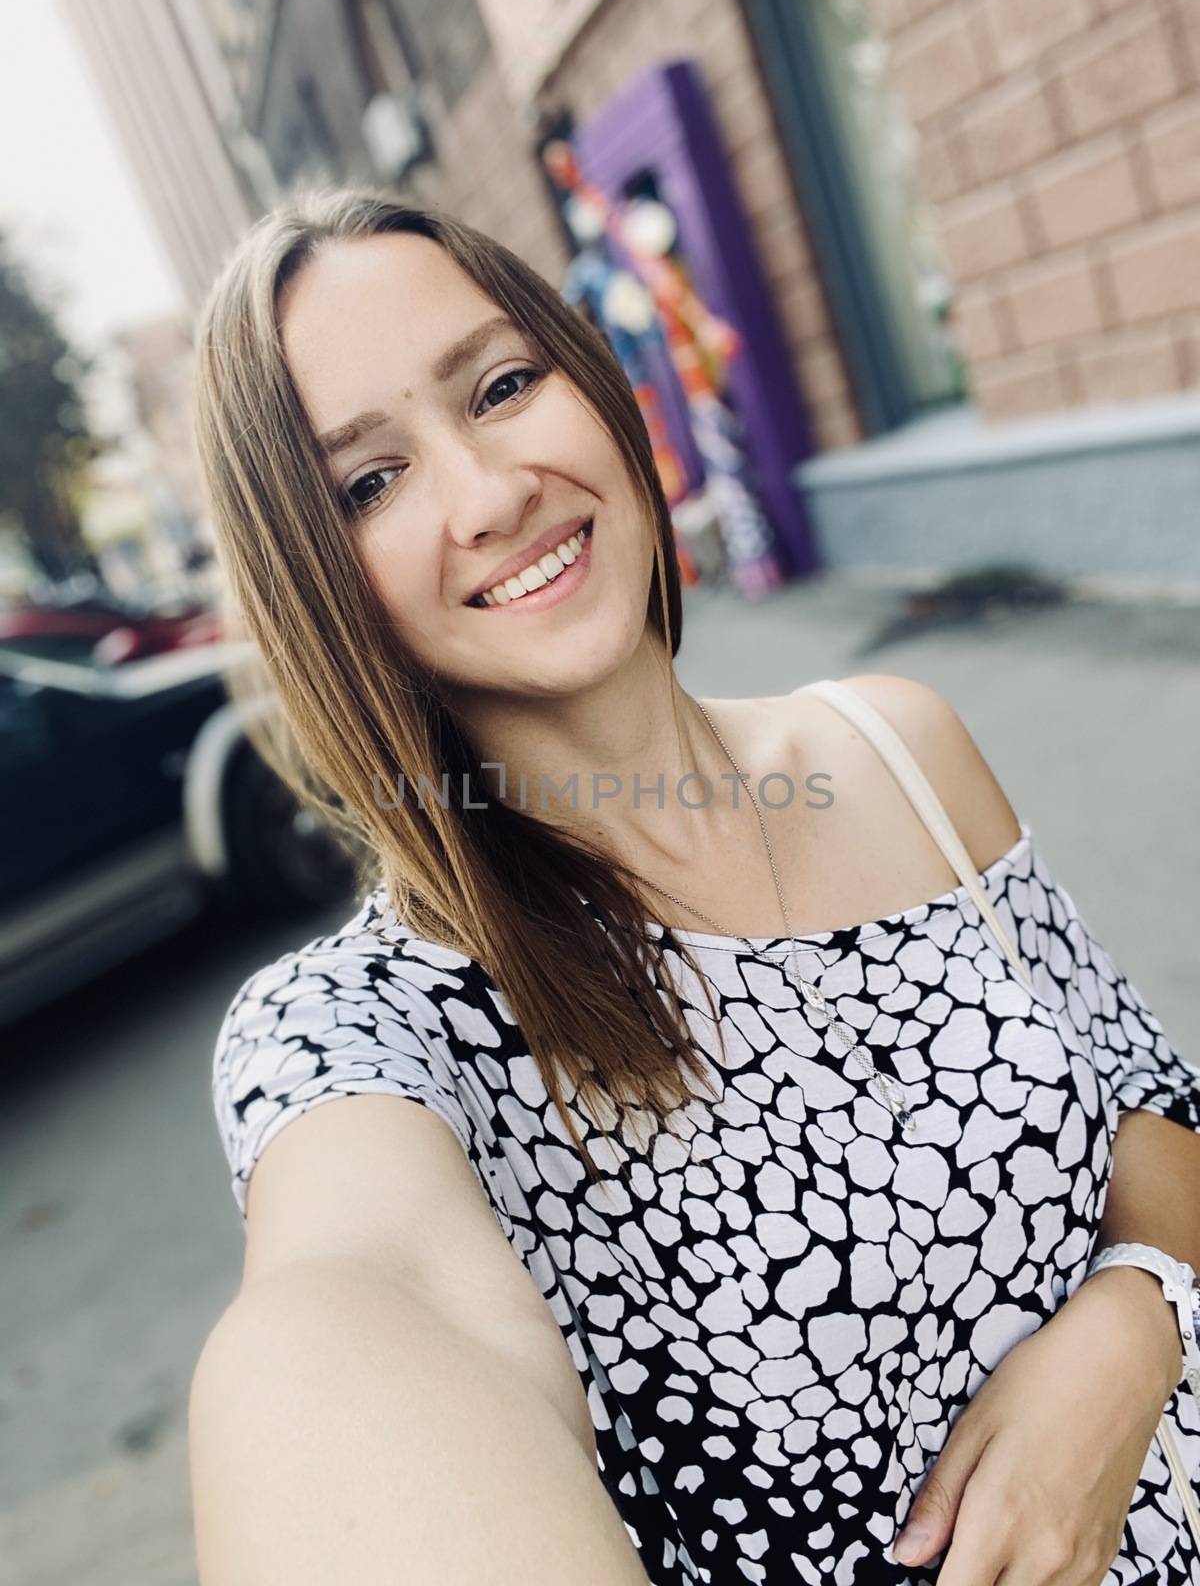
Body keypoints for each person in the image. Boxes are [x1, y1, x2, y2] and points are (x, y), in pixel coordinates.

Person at [188, 185, 1200, 1585]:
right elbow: (348, 1313)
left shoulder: (896, 747)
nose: (489, 493)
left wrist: (1130, 1325)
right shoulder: (367, 1027)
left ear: (593, 381)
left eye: (499, 386)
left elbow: (1149, 1098)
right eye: (369, 481)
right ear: (317, 583)